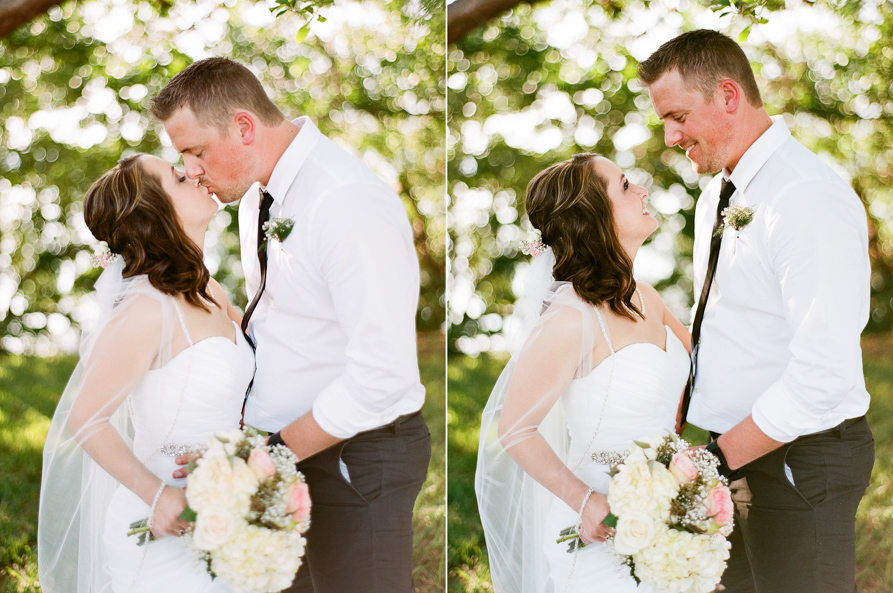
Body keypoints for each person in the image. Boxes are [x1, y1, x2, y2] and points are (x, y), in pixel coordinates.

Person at [150, 57, 430, 593]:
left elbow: (382, 377)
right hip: (291, 455)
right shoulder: (258, 191)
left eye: (195, 151)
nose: (189, 170)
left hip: (355, 456)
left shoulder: (345, 201)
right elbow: (281, 317)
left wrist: (271, 453)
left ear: (243, 127)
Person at [639, 29, 874, 593]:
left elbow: (823, 374)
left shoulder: (804, 196)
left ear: (727, 95)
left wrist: (716, 459)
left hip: (800, 460)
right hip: (735, 454)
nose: (670, 137)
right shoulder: (716, 192)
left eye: (677, 116)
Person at [475, 152, 692, 593]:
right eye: (626, 186)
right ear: (594, 217)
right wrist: (586, 502)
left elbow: (696, 380)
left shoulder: (648, 297)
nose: (643, 190)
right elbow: (515, 428)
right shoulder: (571, 317)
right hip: (602, 528)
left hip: (669, 515)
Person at [38, 154, 255, 593]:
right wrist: (159, 496)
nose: (194, 171)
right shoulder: (147, 308)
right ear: (156, 213)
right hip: (159, 525)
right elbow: (86, 419)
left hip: (224, 510)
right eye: (178, 175)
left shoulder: (208, 288)